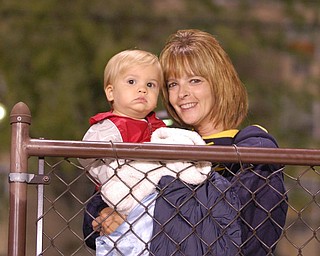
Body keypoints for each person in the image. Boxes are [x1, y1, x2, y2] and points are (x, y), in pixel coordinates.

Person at [84, 29, 288, 255]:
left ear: (219, 83)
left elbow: (242, 233)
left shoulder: (250, 146)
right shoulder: (166, 141)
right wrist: (104, 213)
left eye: (195, 80)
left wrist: (144, 217)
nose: (182, 93)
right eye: (172, 84)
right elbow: (98, 208)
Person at [80, 49, 167, 253]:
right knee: (118, 245)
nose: (142, 90)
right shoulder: (109, 127)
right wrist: (113, 176)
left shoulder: (159, 127)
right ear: (111, 92)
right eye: (131, 82)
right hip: (112, 194)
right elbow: (87, 155)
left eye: (150, 85)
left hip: (149, 195)